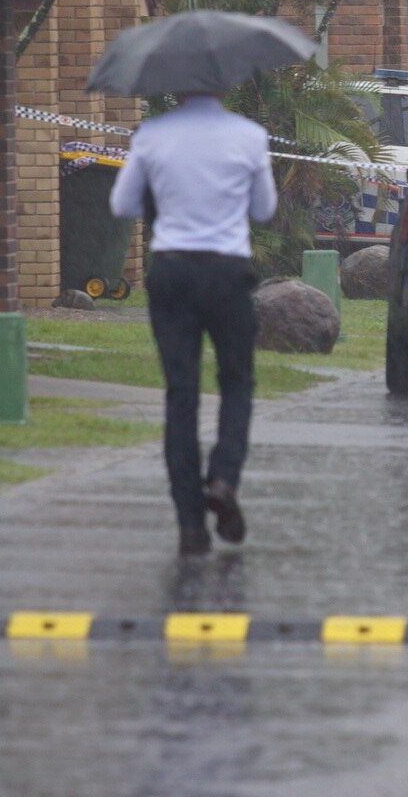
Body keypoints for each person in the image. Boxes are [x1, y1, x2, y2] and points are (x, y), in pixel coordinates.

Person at [109, 92, 277, 556]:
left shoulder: (152, 135)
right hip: (226, 273)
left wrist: (164, 191)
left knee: (180, 392)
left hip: (173, 271)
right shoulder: (248, 136)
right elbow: (264, 210)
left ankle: (189, 521)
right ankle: (223, 477)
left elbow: (122, 204)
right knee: (237, 381)